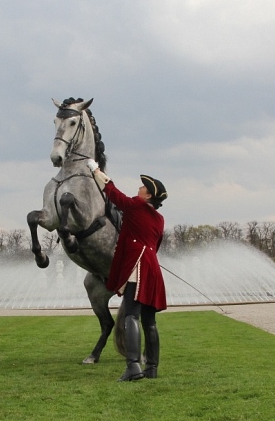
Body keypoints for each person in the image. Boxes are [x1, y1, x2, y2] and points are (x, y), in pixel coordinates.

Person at [86, 159, 168, 382]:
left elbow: (113, 193)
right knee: (149, 321)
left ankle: (133, 367)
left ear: (148, 195)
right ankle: (151, 368)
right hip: (152, 268)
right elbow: (155, 245)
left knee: (130, 315)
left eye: (143, 187)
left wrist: (95, 170)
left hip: (138, 267)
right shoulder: (159, 219)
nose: (139, 188)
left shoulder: (136, 206)